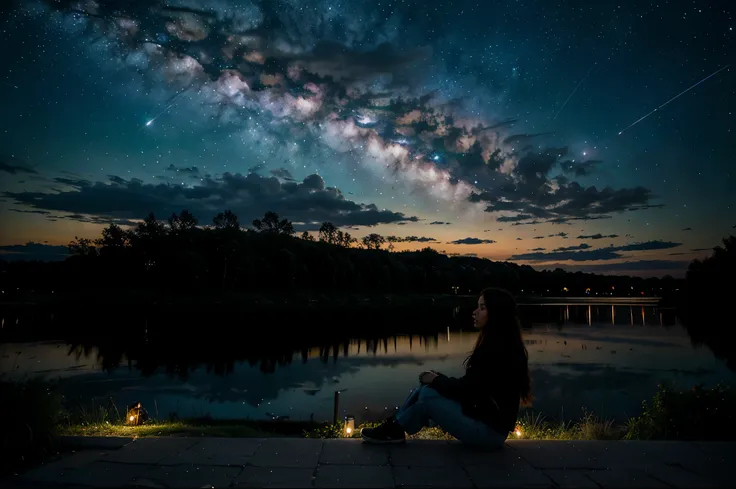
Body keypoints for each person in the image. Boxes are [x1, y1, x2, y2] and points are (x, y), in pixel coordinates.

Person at [360, 287, 532, 449]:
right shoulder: (498, 345)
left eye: (482, 308)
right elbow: (472, 387)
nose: (475, 312)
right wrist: (437, 379)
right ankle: (395, 427)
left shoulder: (498, 350)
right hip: (483, 423)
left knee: (427, 395)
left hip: (488, 434)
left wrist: (437, 380)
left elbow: (467, 391)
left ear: (496, 314)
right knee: (426, 389)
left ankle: (395, 429)